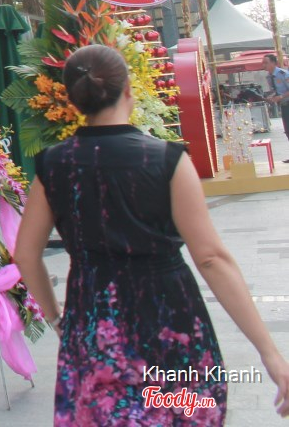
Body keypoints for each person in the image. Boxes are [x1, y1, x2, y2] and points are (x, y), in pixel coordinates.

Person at [15, 44, 289, 424]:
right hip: (169, 320)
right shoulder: (166, 160)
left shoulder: (53, 165)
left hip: (93, 321)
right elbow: (210, 258)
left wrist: (58, 319)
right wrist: (269, 352)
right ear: (128, 89)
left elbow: (26, 254)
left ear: (74, 100)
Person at [265, 53, 289, 161]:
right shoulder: (269, 77)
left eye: (266, 63)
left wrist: (281, 96)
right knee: (287, 130)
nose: (264, 65)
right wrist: (272, 97)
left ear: (274, 63)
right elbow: (275, 90)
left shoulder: (283, 74)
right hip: (283, 105)